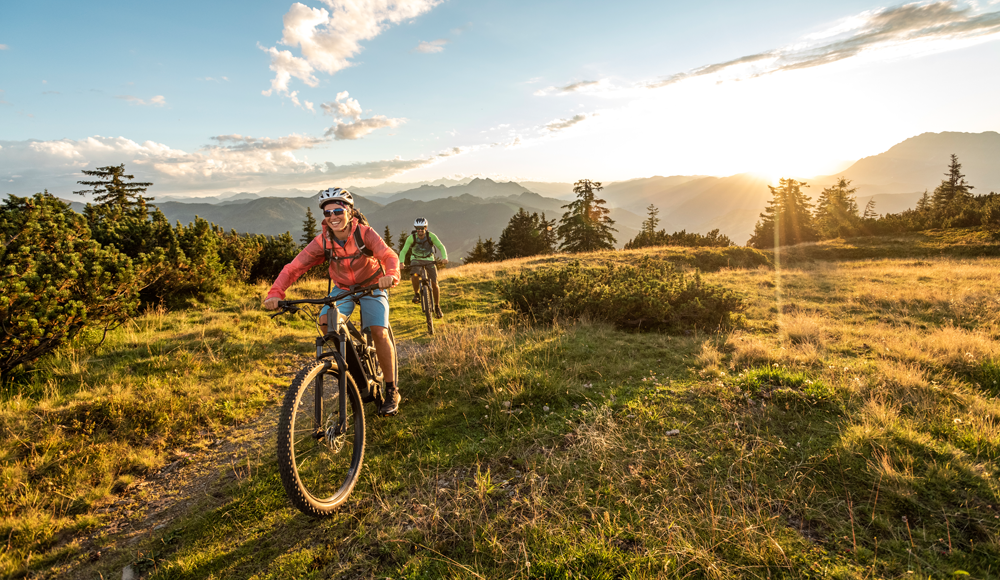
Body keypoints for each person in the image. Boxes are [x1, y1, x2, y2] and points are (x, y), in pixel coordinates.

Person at [263, 188, 403, 416]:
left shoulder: (365, 234)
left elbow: (388, 255)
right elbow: (294, 267)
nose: (333, 217)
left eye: (338, 210)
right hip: (343, 288)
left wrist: (392, 274)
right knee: (327, 323)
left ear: (349, 212)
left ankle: (391, 389)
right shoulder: (323, 242)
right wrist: (275, 293)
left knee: (379, 331)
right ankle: (355, 373)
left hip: (373, 284)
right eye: (328, 213)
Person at [399, 217, 448, 318]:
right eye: (418, 228)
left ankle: (437, 306)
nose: (420, 231)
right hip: (416, 259)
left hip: (429, 259)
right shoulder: (411, 238)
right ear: (416, 229)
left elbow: (441, 246)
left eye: (422, 228)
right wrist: (401, 263)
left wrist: (445, 257)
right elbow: (403, 251)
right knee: (415, 274)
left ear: (426, 228)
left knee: (435, 283)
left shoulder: (431, 236)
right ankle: (417, 293)